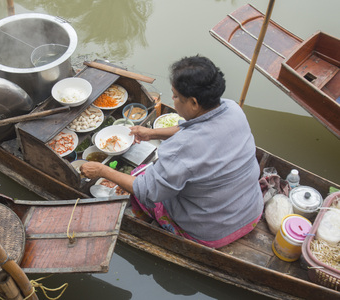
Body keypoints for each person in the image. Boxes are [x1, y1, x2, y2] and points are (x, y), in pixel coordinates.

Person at [80, 55, 263, 248]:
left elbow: (147, 191)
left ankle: (146, 226)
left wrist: (102, 171)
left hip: (211, 232)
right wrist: (151, 133)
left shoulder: (183, 148)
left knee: (139, 179)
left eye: (175, 96)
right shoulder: (233, 109)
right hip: (251, 211)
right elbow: (193, 129)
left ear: (193, 103)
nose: (173, 100)